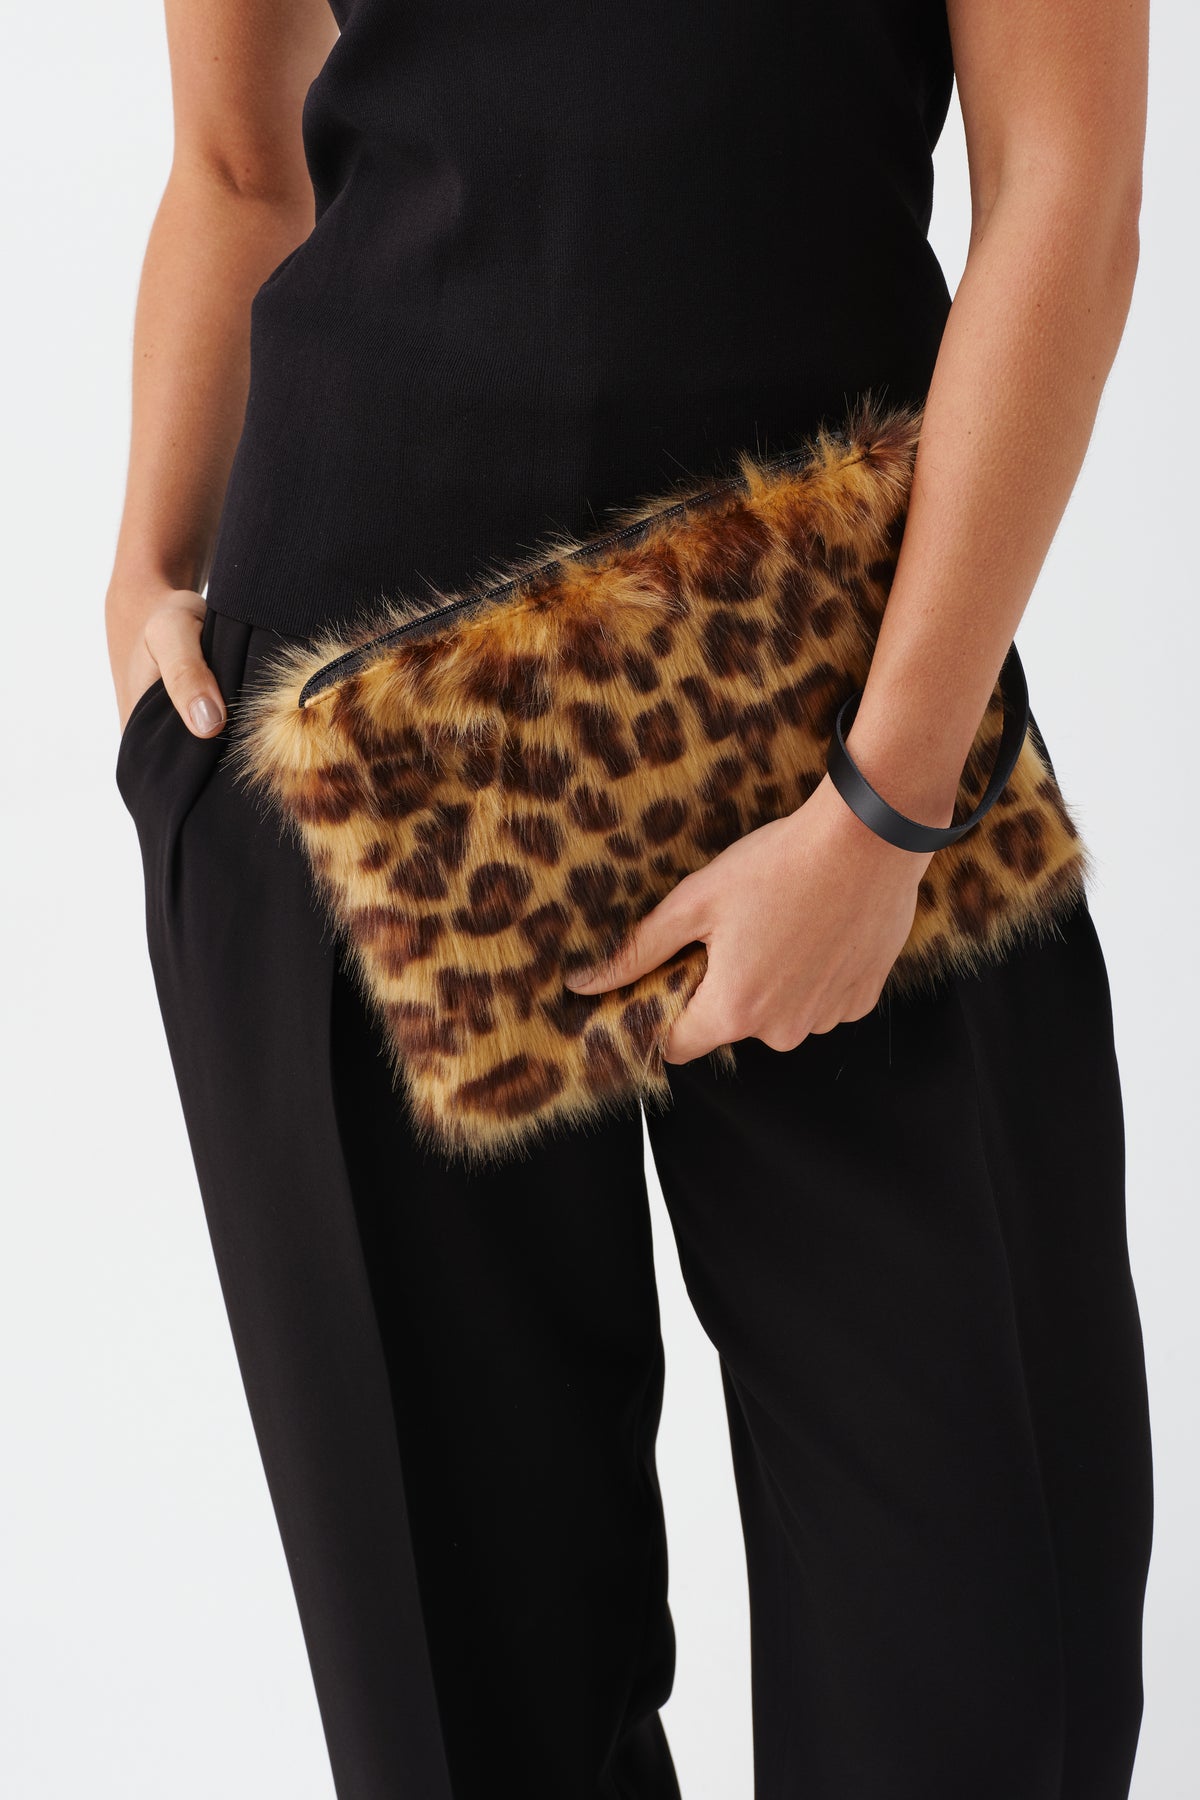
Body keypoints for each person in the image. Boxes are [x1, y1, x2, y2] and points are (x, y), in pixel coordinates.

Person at [105, 3, 1154, 1797]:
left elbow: (1070, 185)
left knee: (995, 1673)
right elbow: (233, 163)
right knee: (476, 1724)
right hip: (363, 771)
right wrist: (148, 570)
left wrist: (887, 806)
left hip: (844, 719)